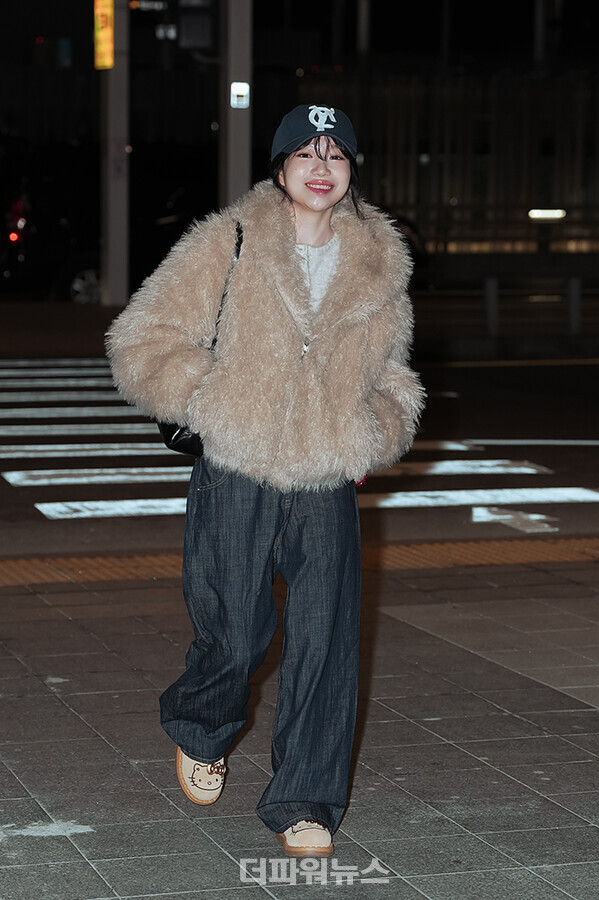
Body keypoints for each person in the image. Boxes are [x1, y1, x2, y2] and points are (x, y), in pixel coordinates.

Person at [106, 104, 425, 858]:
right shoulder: (231, 239)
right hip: (237, 466)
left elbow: (396, 379)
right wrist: (210, 405)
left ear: (350, 174)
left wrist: (370, 431)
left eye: (337, 155)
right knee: (238, 633)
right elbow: (142, 336)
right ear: (280, 168)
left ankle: (305, 802)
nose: (322, 167)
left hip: (325, 475)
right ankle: (201, 726)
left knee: (325, 641)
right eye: (306, 154)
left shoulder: (380, 265)